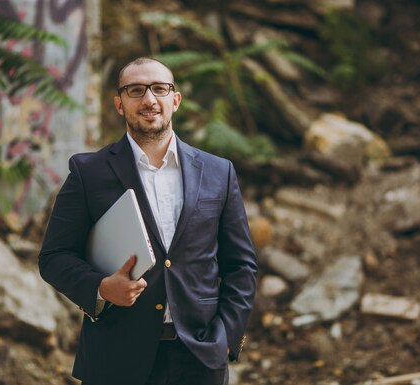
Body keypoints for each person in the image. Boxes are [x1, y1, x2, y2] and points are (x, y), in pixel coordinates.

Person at [38, 57, 258, 385]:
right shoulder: (88, 173)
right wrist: (100, 288)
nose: (149, 99)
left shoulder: (218, 172)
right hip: (114, 359)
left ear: (175, 99)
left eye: (159, 88)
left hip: (199, 360)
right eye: (136, 90)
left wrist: (224, 338)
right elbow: (54, 258)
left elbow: (241, 266)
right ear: (119, 103)